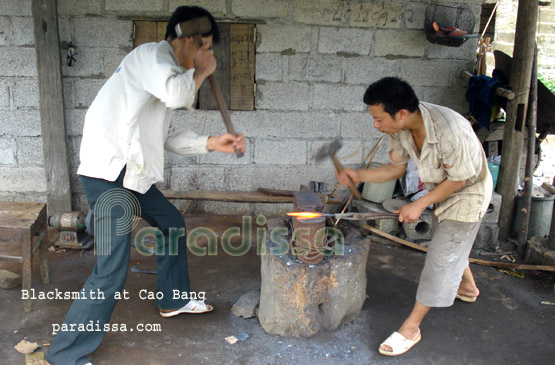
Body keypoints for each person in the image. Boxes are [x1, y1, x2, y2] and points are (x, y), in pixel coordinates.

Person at [45, 6, 245, 365]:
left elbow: (166, 134)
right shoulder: (153, 56)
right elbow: (178, 95)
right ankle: (64, 355)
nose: (208, 56)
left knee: (172, 224)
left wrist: (213, 142)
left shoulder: (165, 75)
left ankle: (173, 299)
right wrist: (201, 72)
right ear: (187, 39)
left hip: (132, 175)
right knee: (111, 269)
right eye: (206, 47)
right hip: (110, 175)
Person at [336, 77, 492, 357]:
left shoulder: (450, 129)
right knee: (452, 244)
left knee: (441, 257)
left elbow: (459, 179)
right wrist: (357, 175)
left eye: (378, 118)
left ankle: (411, 328)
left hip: (469, 192)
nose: (375, 124)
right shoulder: (400, 129)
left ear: (401, 113)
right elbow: (396, 169)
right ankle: (468, 288)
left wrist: (419, 206)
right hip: (443, 187)